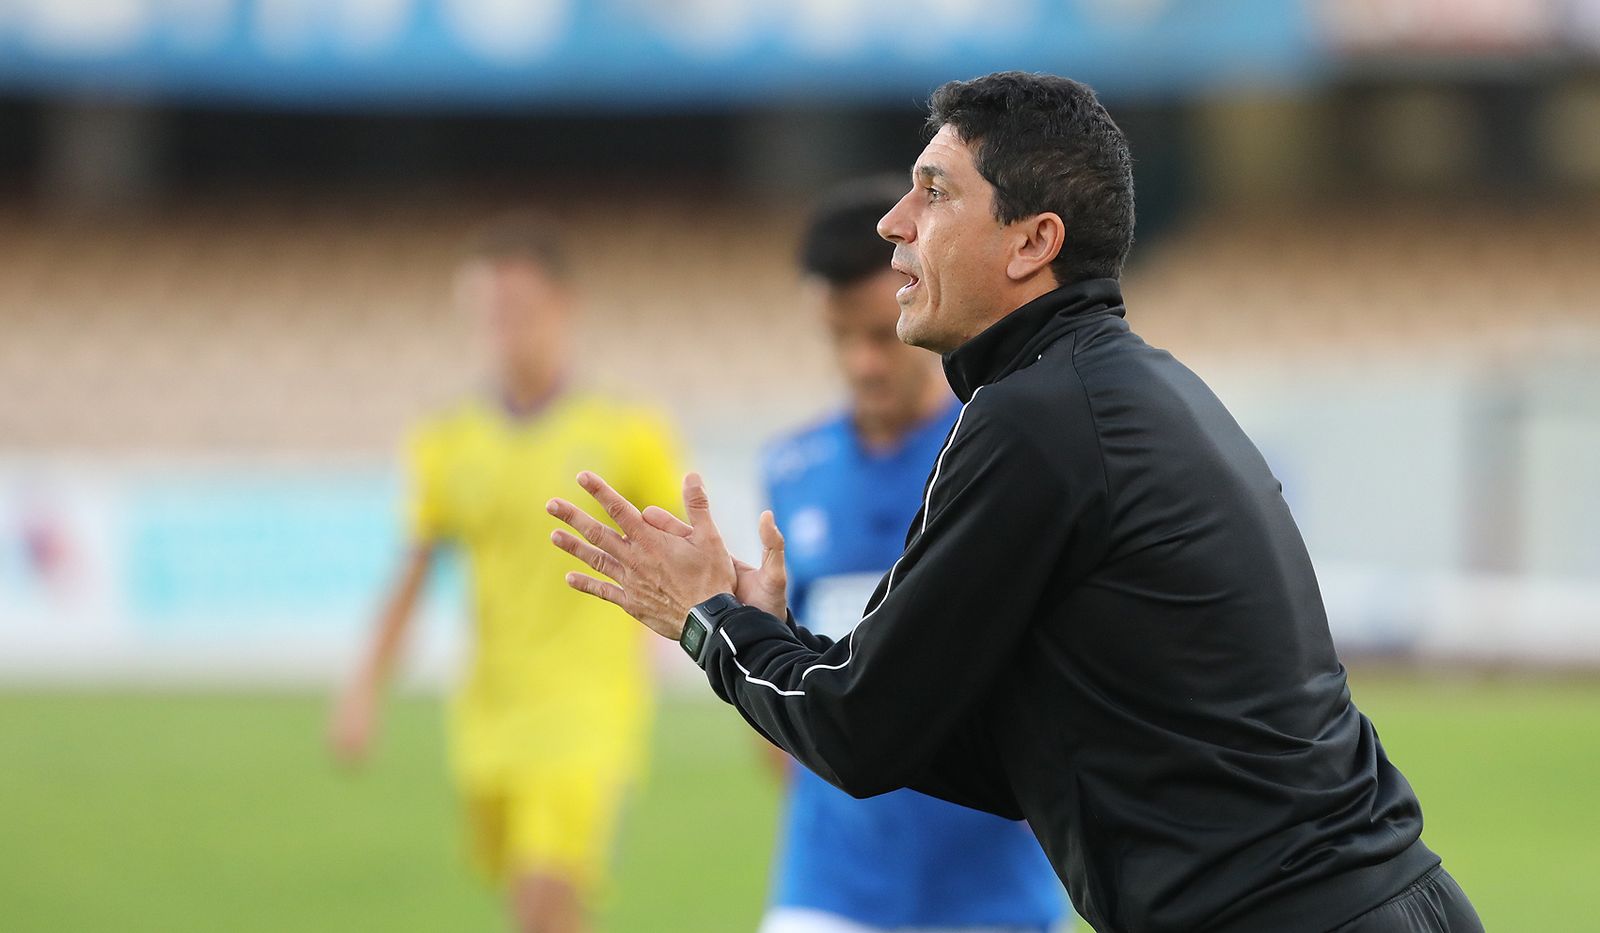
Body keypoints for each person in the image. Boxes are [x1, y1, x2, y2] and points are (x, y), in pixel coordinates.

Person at [545, 73, 1483, 933]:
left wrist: (708, 621)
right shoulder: (1126, 390)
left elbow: (861, 732)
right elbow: (1000, 745)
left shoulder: (1032, 419)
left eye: (936, 191)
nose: (894, 223)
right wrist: (776, 636)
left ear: (1035, 242)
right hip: (1382, 900)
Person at [329, 212, 683, 933]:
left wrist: (691, 639)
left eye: (518, 309)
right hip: (488, 708)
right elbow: (415, 569)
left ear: (564, 306)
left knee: (544, 899)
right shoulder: (446, 437)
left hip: (589, 702)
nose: (503, 327)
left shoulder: (628, 430)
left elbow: (684, 549)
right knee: (536, 905)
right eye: (487, 312)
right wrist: (365, 685)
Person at [758, 179, 1066, 933]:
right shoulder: (792, 469)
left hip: (991, 892)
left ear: (915, 294)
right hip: (829, 884)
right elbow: (779, 646)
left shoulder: (1002, 451)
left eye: (875, 332)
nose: (864, 363)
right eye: (839, 337)